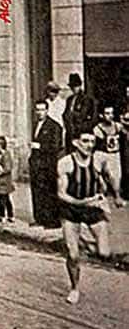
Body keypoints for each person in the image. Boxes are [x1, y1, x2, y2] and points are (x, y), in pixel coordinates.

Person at [56, 128, 124, 304]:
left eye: (92, 142)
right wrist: (82, 202)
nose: (89, 145)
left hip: (92, 206)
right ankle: (74, 288)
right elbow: (61, 194)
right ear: (75, 143)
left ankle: (84, 243)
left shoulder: (99, 160)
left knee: (104, 253)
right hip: (71, 208)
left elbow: (111, 176)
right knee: (72, 255)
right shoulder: (66, 163)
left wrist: (116, 195)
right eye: (85, 141)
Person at [29, 101, 63, 228]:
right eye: (37, 110)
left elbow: (57, 146)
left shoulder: (54, 126)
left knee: (49, 192)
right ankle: (39, 218)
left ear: (47, 111)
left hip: (48, 165)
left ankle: (52, 221)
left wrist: (41, 146)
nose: (39, 113)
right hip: (36, 164)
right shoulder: (35, 124)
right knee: (37, 192)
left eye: (42, 110)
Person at [93, 104, 124, 206]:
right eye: (107, 113)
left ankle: (117, 195)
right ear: (101, 115)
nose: (110, 115)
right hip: (101, 153)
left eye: (112, 113)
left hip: (114, 154)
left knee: (116, 176)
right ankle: (99, 193)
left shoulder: (118, 126)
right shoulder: (97, 129)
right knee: (96, 171)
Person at [63, 72, 96, 153]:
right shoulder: (69, 99)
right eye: (72, 87)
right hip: (70, 132)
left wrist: (71, 115)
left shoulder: (86, 99)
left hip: (80, 132)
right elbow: (65, 114)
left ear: (80, 85)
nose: (74, 88)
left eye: (76, 86)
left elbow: (82, 115)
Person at [0, 136, 14, 222]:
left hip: (3, 181)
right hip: (1, 180)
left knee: (2, 198)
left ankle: (3, 215)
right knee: (6, 198)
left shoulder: (5, 154)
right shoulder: (0, 154)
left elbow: (8, 168)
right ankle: (10, 215)